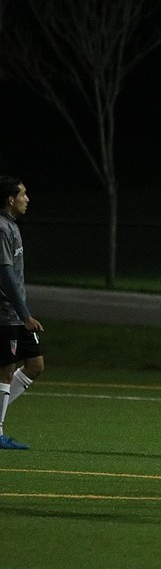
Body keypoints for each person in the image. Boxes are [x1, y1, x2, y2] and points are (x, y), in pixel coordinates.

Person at [0, 176, 45, 451]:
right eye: (23, 194)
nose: (27, 199)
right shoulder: (1, 229)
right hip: (5, 314)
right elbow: (4, 275)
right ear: (10, 199)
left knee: (35, 365)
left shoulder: (11, 226)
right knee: (5, 371)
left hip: (16, 314)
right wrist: (24, 313)